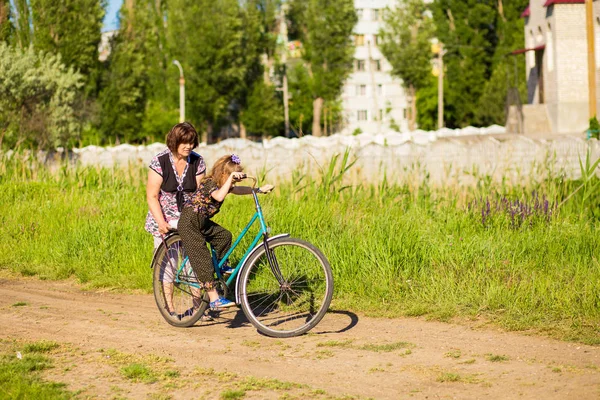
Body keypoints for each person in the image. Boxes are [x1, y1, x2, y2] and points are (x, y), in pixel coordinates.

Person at [178, 154, 273, 310]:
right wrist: (230, 180)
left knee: (224, 235)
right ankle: (214, 299)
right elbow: (219, 196)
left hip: (202, 222)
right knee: (203, 258)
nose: (233, 183)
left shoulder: (224, 184)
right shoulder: (209, 183)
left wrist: (258, 190)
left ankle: (222, 266)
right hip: (189, 223)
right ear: (223, 175)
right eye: (232, 179)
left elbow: (237, 190)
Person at [145, 122, 207, 318]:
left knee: (194, 263)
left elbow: (200, 194)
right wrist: (161, 222)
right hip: (163, 219)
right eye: (184, 142)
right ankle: (170, 308)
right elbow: (152, 196)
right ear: (174, 141)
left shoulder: (197, 162)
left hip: (188, 219)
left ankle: (198, 307)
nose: (188, 146)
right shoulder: (159, 161)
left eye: (191, 142)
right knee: (169, 265)